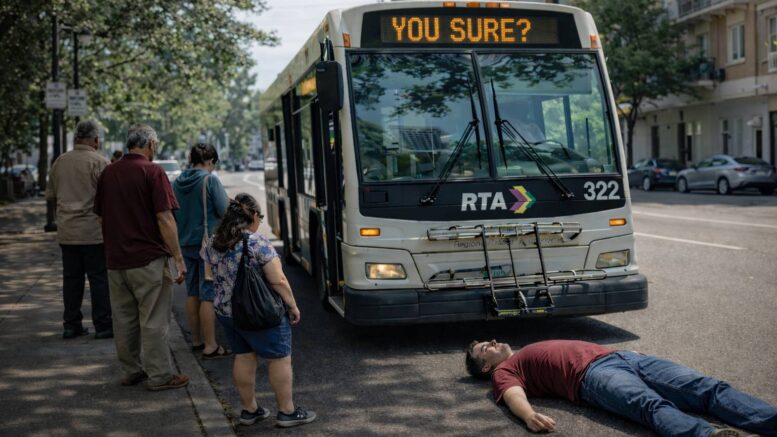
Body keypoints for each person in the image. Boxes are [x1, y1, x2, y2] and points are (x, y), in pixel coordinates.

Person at [465, 339, 777, 436]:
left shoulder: (523, 350)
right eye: (484, 349)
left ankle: (770, 420)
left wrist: (624, 351)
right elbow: (511, 393)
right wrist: (528, 415)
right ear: (487, 367)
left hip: (622, 357)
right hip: (592, 377)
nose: (492, 342)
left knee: (708, 388)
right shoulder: (504, 371)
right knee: (650, 406)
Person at [204, 193, 316, 428]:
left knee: (244, 356)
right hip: (259, 312)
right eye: (260, 218)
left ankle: (249, 410)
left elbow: (209, 275)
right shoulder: (257, 243)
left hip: (227, 312)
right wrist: (293, 306)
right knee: (279, 359)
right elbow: (279, 281)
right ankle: (287, 411)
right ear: (254, 216)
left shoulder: (213, 242)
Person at [94, 124, 189, 391]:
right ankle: (159, 376)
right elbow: (165, 218)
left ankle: (131, 371)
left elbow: (100, 215)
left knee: (123, 320)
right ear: (150, 144)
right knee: (154, 320)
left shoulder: (109, 173)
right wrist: (178, 258)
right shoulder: (153, 171)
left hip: (115, 260)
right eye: (155, 145)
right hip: (147, 260)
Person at [45, 120, 113, 339]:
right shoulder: (100, 162)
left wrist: (62, 217)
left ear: (76, 139)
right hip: (93, 231)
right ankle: (102, 325)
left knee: (71, 279)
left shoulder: (60, 162)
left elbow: (52, 197)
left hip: (68, 232)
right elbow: (109, 199)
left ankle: (71, 324)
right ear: (94, 140)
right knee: (98, 279)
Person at [172, 143, 230, 359]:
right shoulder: (209, 179)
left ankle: (196, 340)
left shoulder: (177, 182)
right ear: (210, 161)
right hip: (207, 245)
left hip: (184, 243)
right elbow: (224, 210)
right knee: (208, 293)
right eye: (214, 163)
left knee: (192, 292)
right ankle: (211, 345)